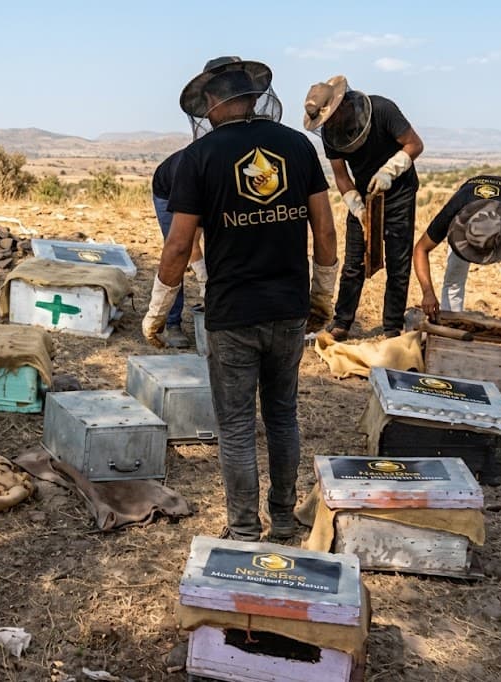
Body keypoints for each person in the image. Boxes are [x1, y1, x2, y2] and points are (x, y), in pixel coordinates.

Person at [142, 56, 338, 542]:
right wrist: (322, 296)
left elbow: (179, 244)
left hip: (232, 314)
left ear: (210, 103)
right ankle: (286, 519)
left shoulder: (199, 158)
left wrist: (157, 311)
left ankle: (245, 529)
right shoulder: (297, 145)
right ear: (254, 97)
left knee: (234, 427)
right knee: (282, 415)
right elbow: (327, 230)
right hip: (289, 308)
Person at [303, 75, 424, 340]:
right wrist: (356, 207)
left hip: (400, 194)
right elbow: (341, 176)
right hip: (363, 196)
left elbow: (414, 144)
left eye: (332, 116)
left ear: (343, 103)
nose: (330, 123)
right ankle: (342, 322)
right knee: (353, 262)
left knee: (398, 262)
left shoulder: (382, 109)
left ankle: (392, 325)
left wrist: (389, 172)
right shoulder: (329, 134)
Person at [412, 175, 501, 376]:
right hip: (467, 221)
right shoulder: (455, 210)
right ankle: (448, 337)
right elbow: (420, 249)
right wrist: (427, 292)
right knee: (453, 279)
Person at [152, 149, 207, 348]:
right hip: (167, 193)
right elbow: (186, 245)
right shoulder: (190, 172)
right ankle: (172, 322)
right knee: (176, 255)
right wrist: (204, 281)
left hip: (203, 195)